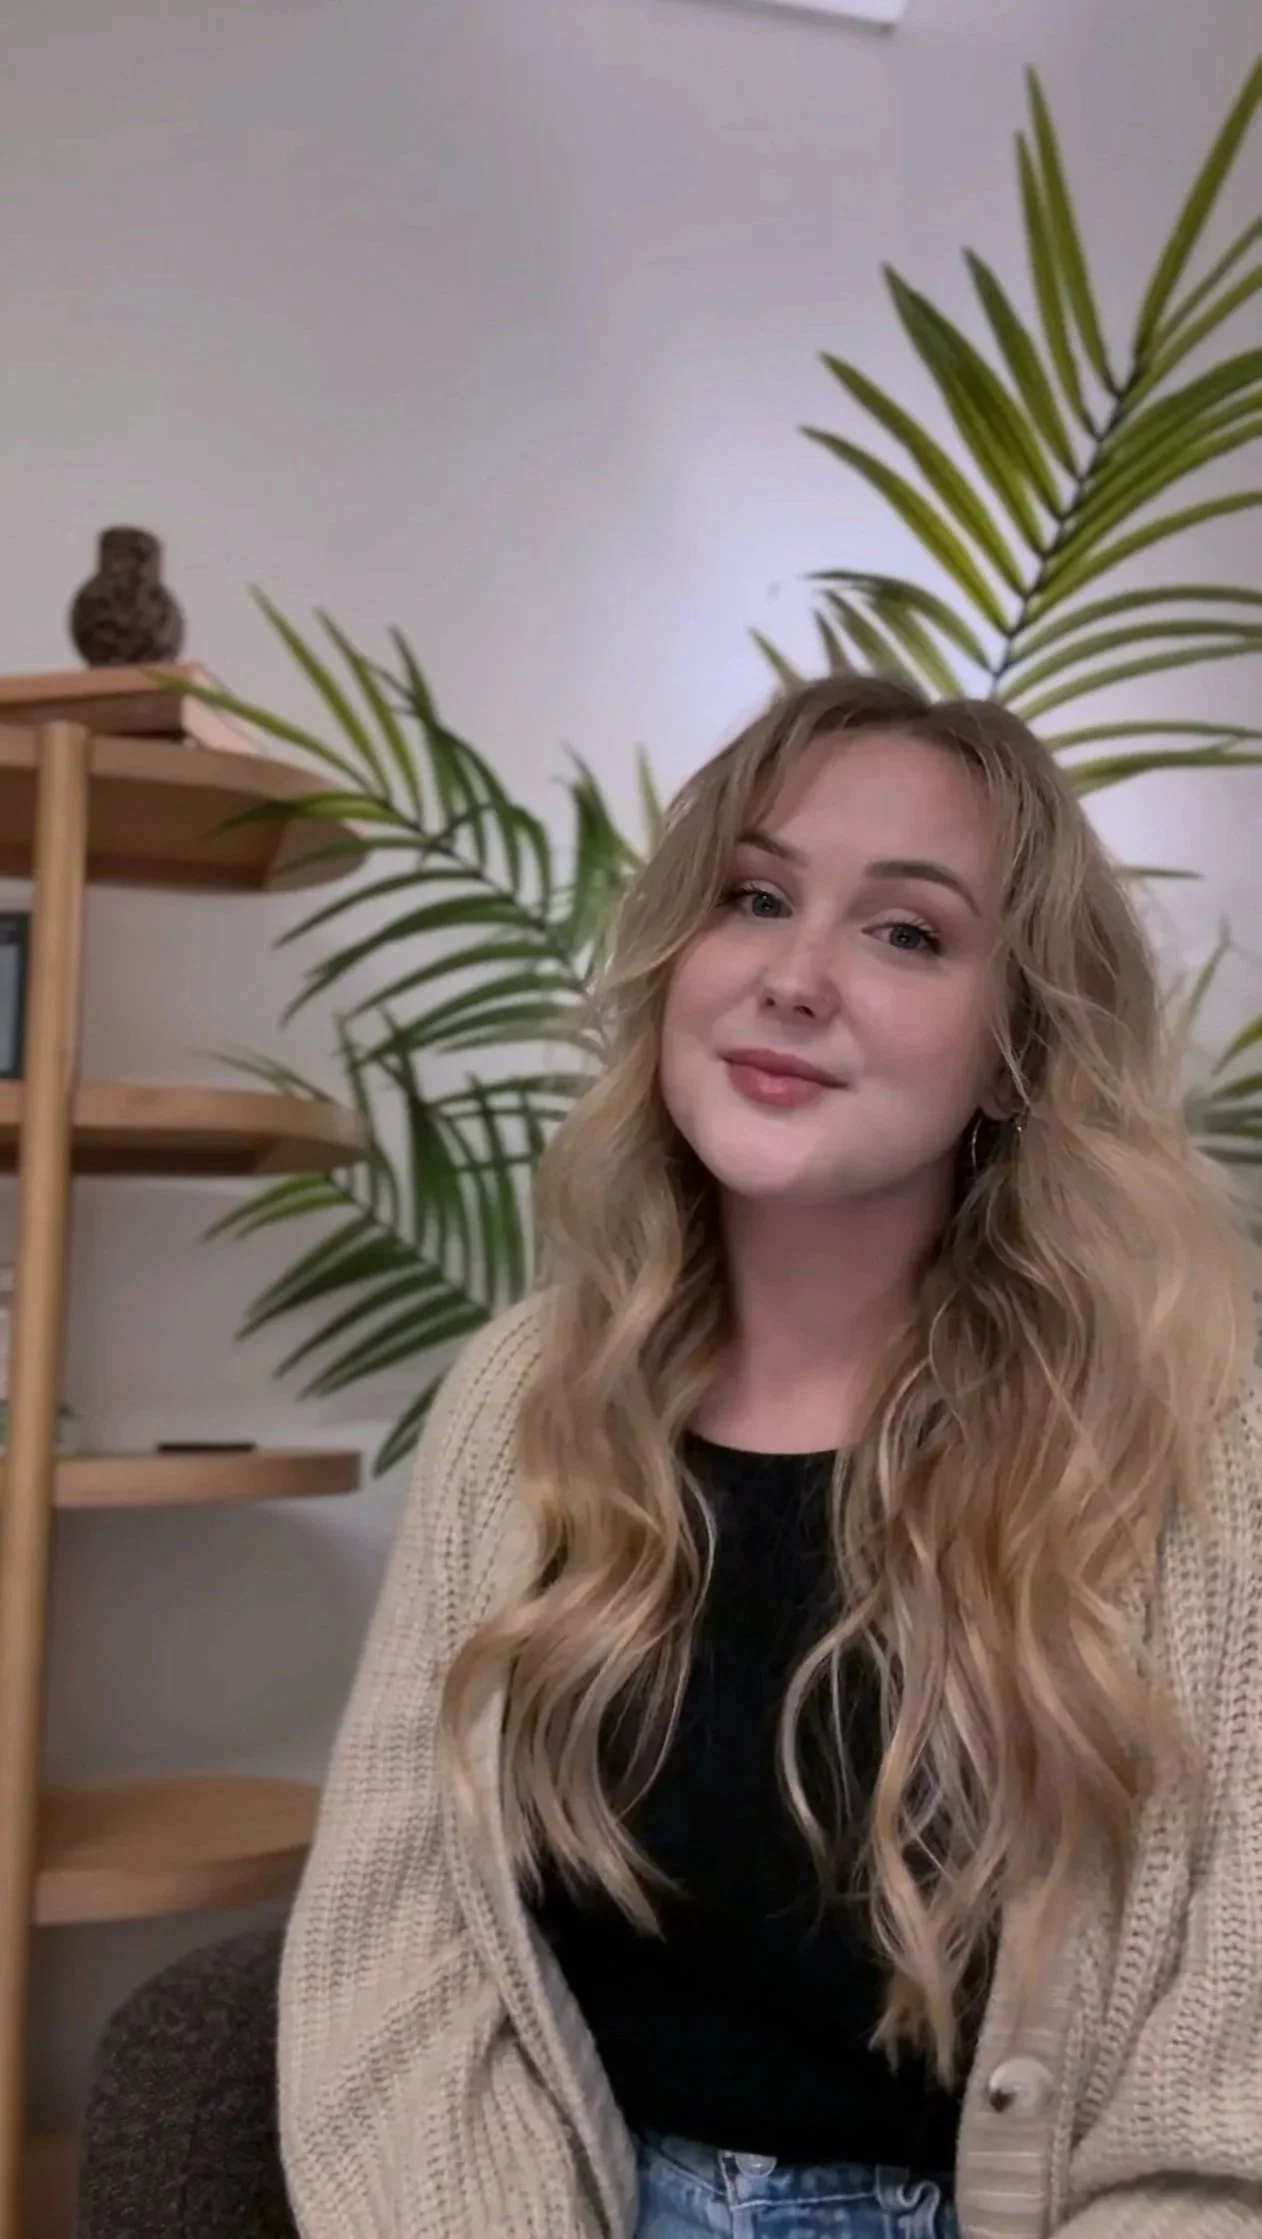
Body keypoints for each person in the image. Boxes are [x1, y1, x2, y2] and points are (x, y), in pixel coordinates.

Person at [277, 676, 1262, 2239]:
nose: (795, 977)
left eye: (905, 931)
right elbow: (395, 1969)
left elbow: (1226, 2102)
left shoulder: (1187, 1442)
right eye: (754, 896)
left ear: (1016, 1049)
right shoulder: (523, 1394)